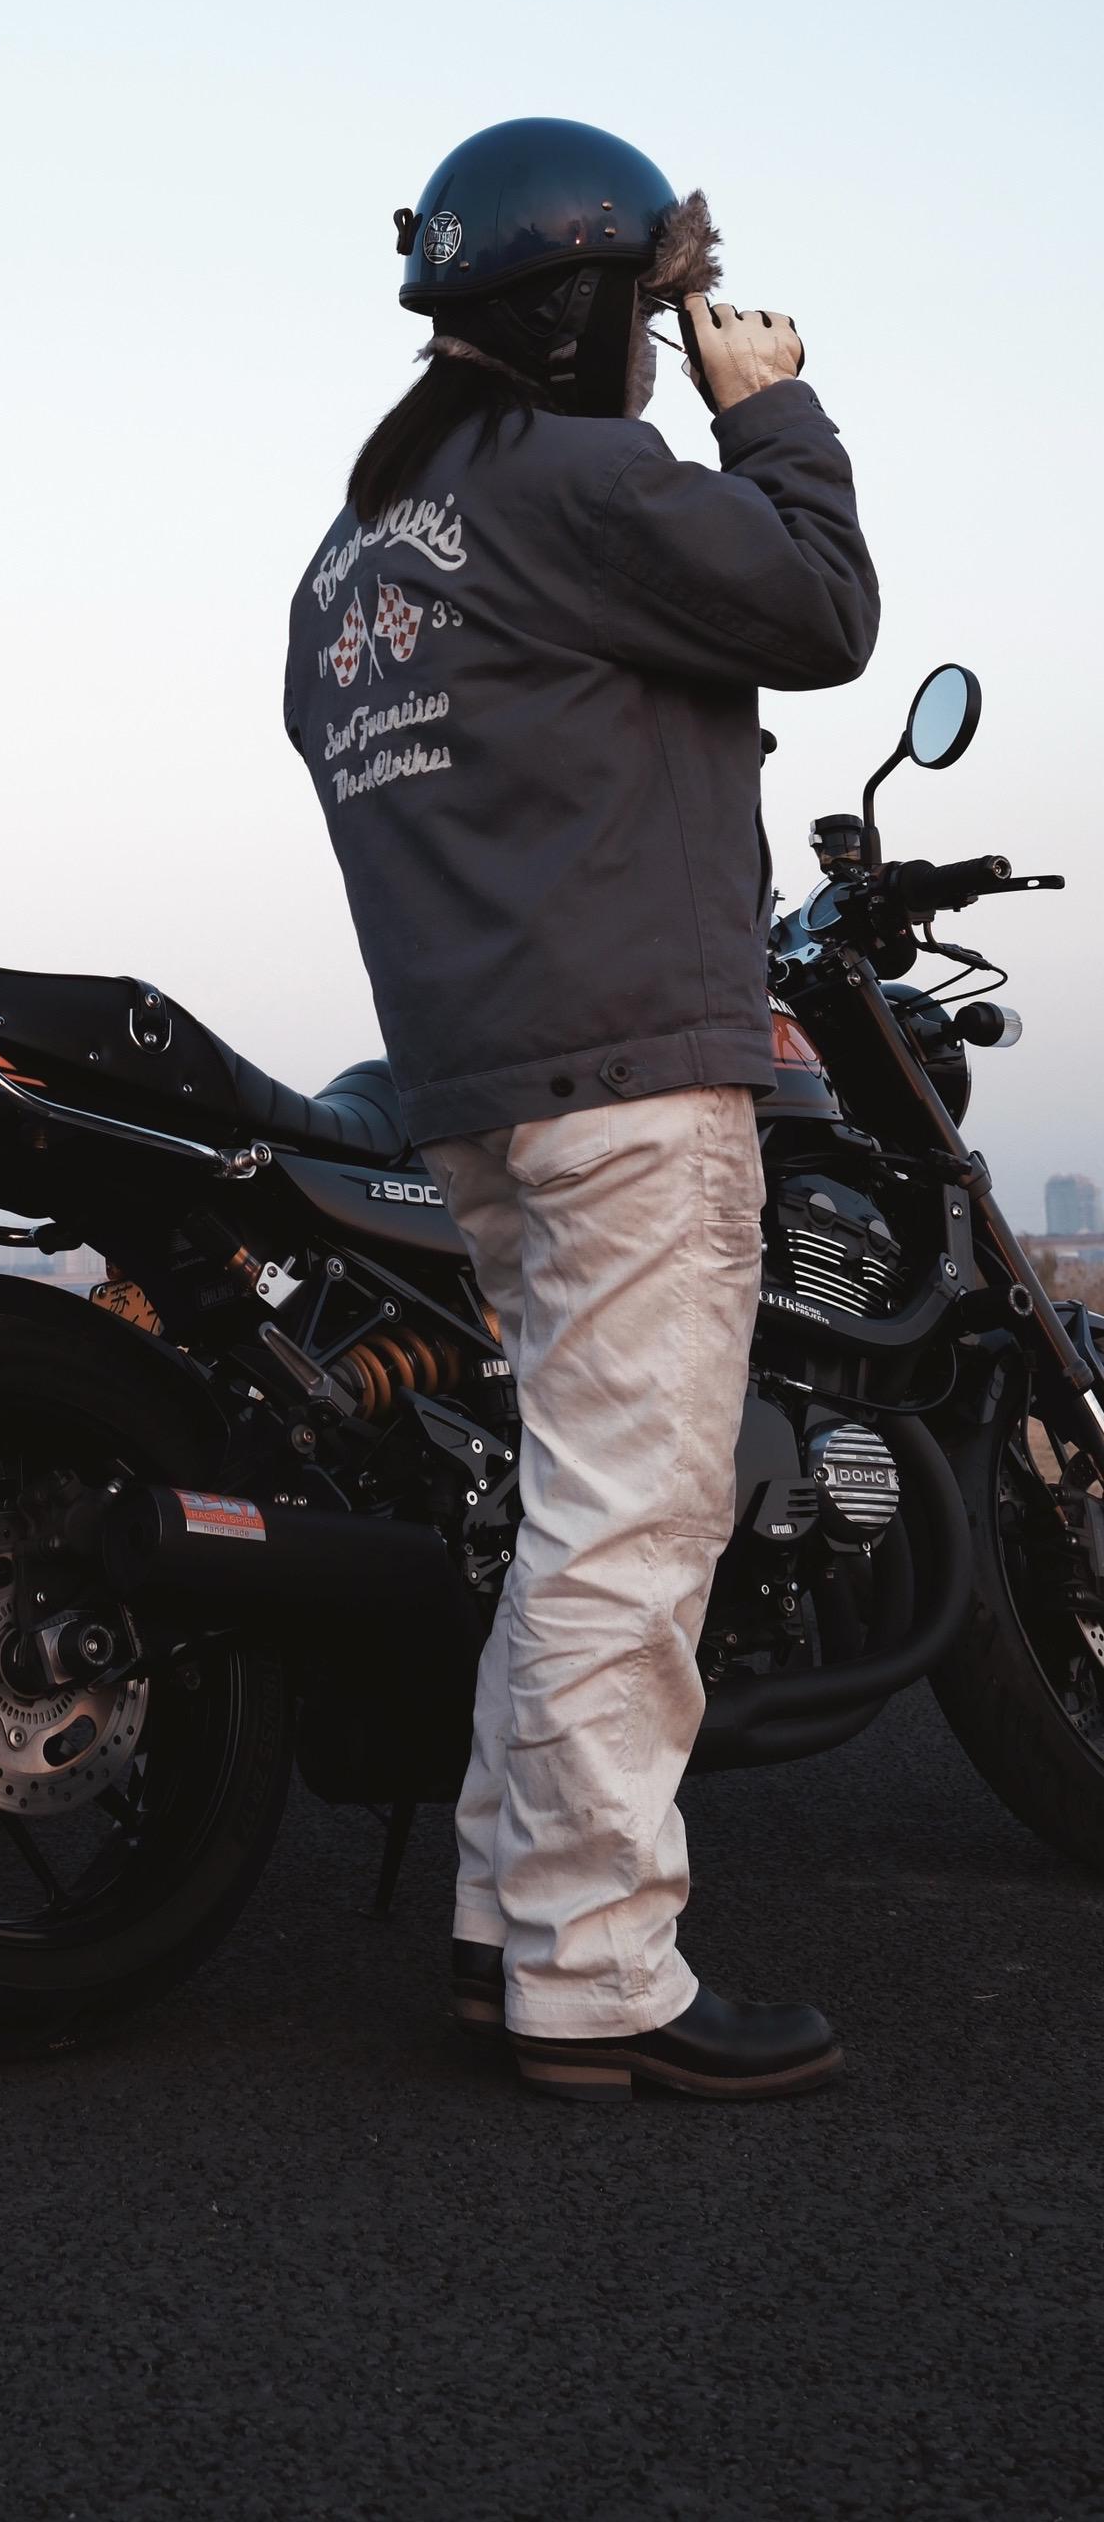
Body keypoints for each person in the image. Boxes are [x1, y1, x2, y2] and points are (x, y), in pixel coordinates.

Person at [284, 117, 879, 2101]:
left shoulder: (354, 552)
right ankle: (600, 1976)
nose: (661, 335)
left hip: (475, 1088)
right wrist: (767, 410)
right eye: (649, 302)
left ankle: (508, 1925)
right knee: (632, 1531)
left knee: (567, 1519)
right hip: (632, 1075)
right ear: (583, 310)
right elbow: (822, 612)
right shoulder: (581, 477)